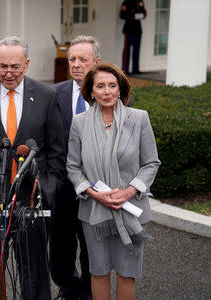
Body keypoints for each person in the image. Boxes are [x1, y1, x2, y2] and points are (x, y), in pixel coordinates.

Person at [0, 36, 65, 300]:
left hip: (32, 199)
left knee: (34, 271)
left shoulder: (46, 96)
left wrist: (49, 189)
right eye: (3, 66)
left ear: (26, 64)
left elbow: (57, 151)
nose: (8, 73)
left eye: (15, 66)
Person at [66, 62, 160, 300]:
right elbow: (73, 167)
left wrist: (128, 192)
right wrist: (94, 193)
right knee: (98, 271)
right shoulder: (79, 123)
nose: (107, 91)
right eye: (100, 86)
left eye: (112, 85)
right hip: (94, 212)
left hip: (131, 208)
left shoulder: (139, 119)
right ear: (91, 91)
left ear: (121, 89)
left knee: (127, 273)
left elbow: (151, 163)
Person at [51, 35, 101, 300]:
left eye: (83, 59)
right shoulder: (53, 94)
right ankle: (67, 286)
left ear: (97, 62)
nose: (77, 64)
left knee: (92, 244)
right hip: (63, 186)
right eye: (72, 59)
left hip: (96, 187)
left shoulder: (108, 93)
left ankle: (89, 289)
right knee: (61, 244)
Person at [120, 0, 147, 74]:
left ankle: (135, 69)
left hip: (138, 30)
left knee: (137, 50)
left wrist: (136, 16)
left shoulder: (140, 2)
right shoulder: (126, 3)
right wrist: (132, 16)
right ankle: (125, 69)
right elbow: (122, 15)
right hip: (129, 29)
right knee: (127, 51)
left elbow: (144, 13)